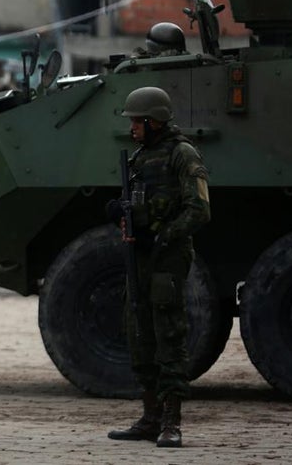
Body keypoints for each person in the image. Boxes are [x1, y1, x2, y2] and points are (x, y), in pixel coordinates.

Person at [107, 86, 210, 448]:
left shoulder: (182, 154)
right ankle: (150, 417)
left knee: (169, 335)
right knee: (139, 334)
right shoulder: (140, 157)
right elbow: (139, 204)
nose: (132, 127)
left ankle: (171, 422)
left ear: (155, 121)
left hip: (167, 257)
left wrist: (164, 235)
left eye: (138, 121)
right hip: (140, 255)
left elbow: (199, 209)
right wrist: (122, 215)